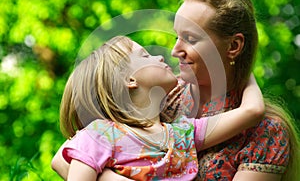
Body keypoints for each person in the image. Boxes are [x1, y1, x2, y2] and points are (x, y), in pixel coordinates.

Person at [52, 35, 265, 180]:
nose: (161, 56)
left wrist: (235, 63)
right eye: (145, 56)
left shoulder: (181, 134)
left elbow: (252, 111)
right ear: (130, 79)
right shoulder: (100, 135)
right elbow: (62, 163)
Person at [170, 0, 300, 180]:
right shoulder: (163, 99)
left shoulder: (265, 132)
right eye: (177, 36)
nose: (175, 51)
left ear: (234, 46)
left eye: (190, 38)